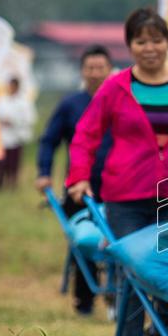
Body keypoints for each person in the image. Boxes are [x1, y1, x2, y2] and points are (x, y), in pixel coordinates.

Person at [67, 8, 168, 336]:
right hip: (125, 197)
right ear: (130, 45)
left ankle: (161, 330)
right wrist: (79, 177)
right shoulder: (115, 88)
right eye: (141, 41)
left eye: (157, 40)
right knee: (132, 272)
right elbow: (86, 135)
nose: (149, 48)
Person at [35, 44, 114, 316]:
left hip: (116, 190)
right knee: (85, 242)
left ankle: (117, 298)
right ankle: (85, 301)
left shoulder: (121, 104)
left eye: (100, 68)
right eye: (89, 68)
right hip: (80, 190)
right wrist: (44, 173)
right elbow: (49, 141)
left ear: (109, 70)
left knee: (119, 243)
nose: (94, 73)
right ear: (82, 71)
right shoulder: (70, 105)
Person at [0, 76, 35, 189]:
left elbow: (30, 118)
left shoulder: (24, 102)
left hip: (16, 137)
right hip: (2, 137)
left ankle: (12, 184)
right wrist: (3, 121)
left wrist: (14, 121)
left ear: (17, 87)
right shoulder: (2, 101)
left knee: (14, 163)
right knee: (0, 163)